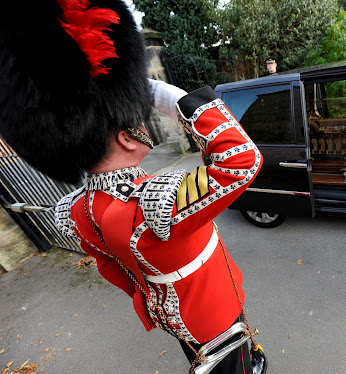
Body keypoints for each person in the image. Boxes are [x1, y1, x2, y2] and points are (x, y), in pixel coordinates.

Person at [0, 0, 266, 373]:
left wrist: (156, 294)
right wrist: (174, 99)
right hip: (213, 315)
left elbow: (114, 270)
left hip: (172, 312)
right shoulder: (155, 201)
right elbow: (241, 160)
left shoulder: (77, 210)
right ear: (126, 138)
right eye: (140, 117)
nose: (146, 121)